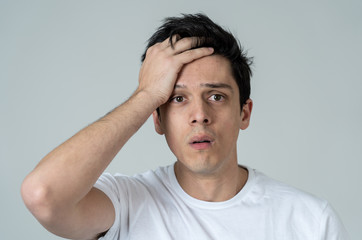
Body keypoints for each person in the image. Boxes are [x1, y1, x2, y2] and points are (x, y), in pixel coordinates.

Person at [21, 13, 349, 240]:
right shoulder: (125, 204)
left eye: (216, 96)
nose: (199, 115)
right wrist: (147, 93)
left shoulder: (309, 220)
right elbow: (43, 195)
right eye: (178, 99)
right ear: (156, 117)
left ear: (244, 113)